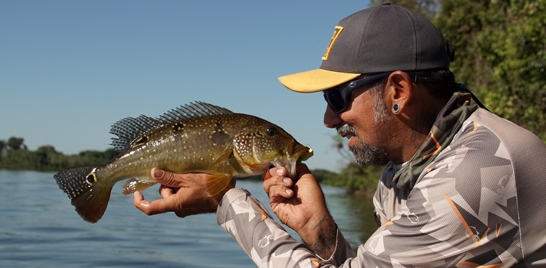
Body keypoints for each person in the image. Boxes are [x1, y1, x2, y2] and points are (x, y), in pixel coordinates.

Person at [133, 4, 546, 267]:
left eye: (337, 96)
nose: (330, 119)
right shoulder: (401, 172)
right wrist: (319, 230)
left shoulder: (470, 176)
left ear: (398, 91)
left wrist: (225, 198)